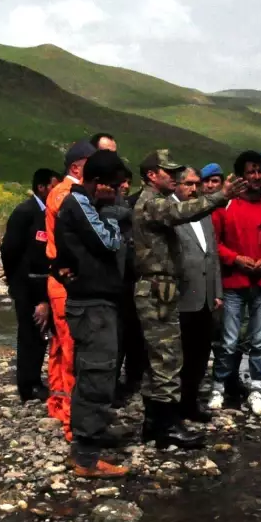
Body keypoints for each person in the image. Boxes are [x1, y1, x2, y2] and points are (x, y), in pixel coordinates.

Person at [132, 149, 241, 448]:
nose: (174, 177)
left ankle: (154, 424)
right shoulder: (152, 203)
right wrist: (221, 196)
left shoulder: (153, 201)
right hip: (157, 290)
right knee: (167, 360)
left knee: (159, 360)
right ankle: (168, 426)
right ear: (152, 175)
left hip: (162, 289)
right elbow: (180, 213)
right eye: (168, 172)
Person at [51, 150, 129, 477]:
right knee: (97, 375)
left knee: (94, 373)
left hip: (95, 302)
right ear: (99, 183)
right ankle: (86, 457)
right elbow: (109, 242)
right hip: (92, 305)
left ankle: (87, 443)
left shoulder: (84, 204)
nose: (118, 191)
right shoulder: (80, 204)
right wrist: (110, 210)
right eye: (115, 186)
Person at [208, 151, 261, 415]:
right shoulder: (225, 206)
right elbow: (214, 243)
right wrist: (235, 259)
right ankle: (218, 388)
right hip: (234, 282)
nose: (257, 176)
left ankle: (256, 389)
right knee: (229, 340)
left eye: (260, 170)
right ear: (241, 176)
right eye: (251, 171)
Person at [45, 140, 97, 441]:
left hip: (60, 281)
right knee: (72, 350)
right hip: (67, 282)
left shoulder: (61, 193)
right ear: (77, 167)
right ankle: (71, 421)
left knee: (61, 346)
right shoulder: (68, 195)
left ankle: (59, 404)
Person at [0, 168, 61, 403]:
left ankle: (37, 380)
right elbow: (9, 250)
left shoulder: (51, 212)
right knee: (29, 334)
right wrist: (15, 280)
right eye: (53, 186)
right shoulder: (25, 212)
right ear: (41, 187)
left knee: (42, 333)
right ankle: (28, 386)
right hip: (26, 284)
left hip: (43, 283)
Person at [170, 166, 222, 423]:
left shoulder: (204, 214)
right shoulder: (168, 212)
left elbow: (212, 254)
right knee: (179, 354)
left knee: (201, 353)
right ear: (176, 185)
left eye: (196, 184)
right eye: (188, 184)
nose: (194, 189)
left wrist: (217, 290)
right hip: (181, 295)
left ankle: (190, 403)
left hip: (206, 295)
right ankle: (174, 406)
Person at [103, 169, 149, 405]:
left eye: (127, 182)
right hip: (117, 281)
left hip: (133, 279)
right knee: (118, 335)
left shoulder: (131, 205)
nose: (124, 186)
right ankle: (113, 383)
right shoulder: (116, 207)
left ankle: (133, 378)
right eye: (121, 182)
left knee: (135, 332)